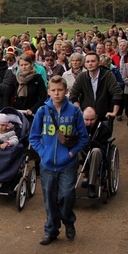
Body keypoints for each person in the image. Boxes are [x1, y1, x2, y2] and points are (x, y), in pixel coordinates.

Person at [30, 75, 88, 245]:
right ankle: (51, 230)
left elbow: (84, 137)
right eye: (53, 90)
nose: (57, 94)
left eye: (60, 90)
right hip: (48, 164)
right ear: (48, 92)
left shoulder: (75, 112)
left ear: (66, 91)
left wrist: (71, 153)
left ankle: (68, 220)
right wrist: (43, 153)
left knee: (67, 195)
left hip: (67, 163)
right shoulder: (42, 111)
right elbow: (33, 137)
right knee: (49, 198)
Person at [69, 52, 122, 124]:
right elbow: (73, 94)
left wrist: (114, 112)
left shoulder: (107, 75)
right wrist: (79, 110)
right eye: (87, 61)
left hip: (104, 116)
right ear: (85, 64)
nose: (90, 63)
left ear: (98, 62)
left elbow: (117, 92)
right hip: (86, 118)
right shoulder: (82, 76)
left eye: (93, 61)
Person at [77, 107, 112, 198]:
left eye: (91, 119)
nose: (89, 122)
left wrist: (94, 143)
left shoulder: (102, 127)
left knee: (96, 151)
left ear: (96, 117)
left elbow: (104, 146)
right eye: (86, 120)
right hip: (82, 152)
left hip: (96, 153)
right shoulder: (78, 126)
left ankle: (91, 185)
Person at [13, 53, 48, 122]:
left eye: (26, 64)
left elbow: (43, 97)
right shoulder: (16, 79)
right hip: (18, 113)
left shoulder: (37, 78)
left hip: (33, 113)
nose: (24, 67)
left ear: (31, 64)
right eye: (21, 65)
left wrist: (33, 109)